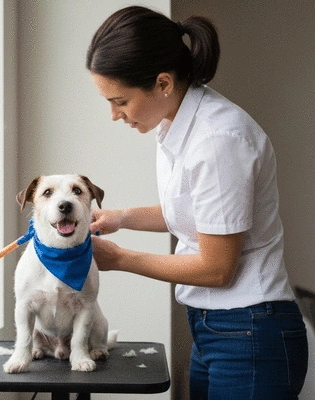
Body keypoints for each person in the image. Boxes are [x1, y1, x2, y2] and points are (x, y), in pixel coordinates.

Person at [86, 5, 308, 400]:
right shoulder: (174, 123)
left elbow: (217, 268)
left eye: (120, 101)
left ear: (163, 82)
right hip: (214, 329)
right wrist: (117, 217)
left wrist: (120, 259)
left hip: (250, 332)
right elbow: (197, 215)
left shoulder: (218, 139)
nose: (114, 115)